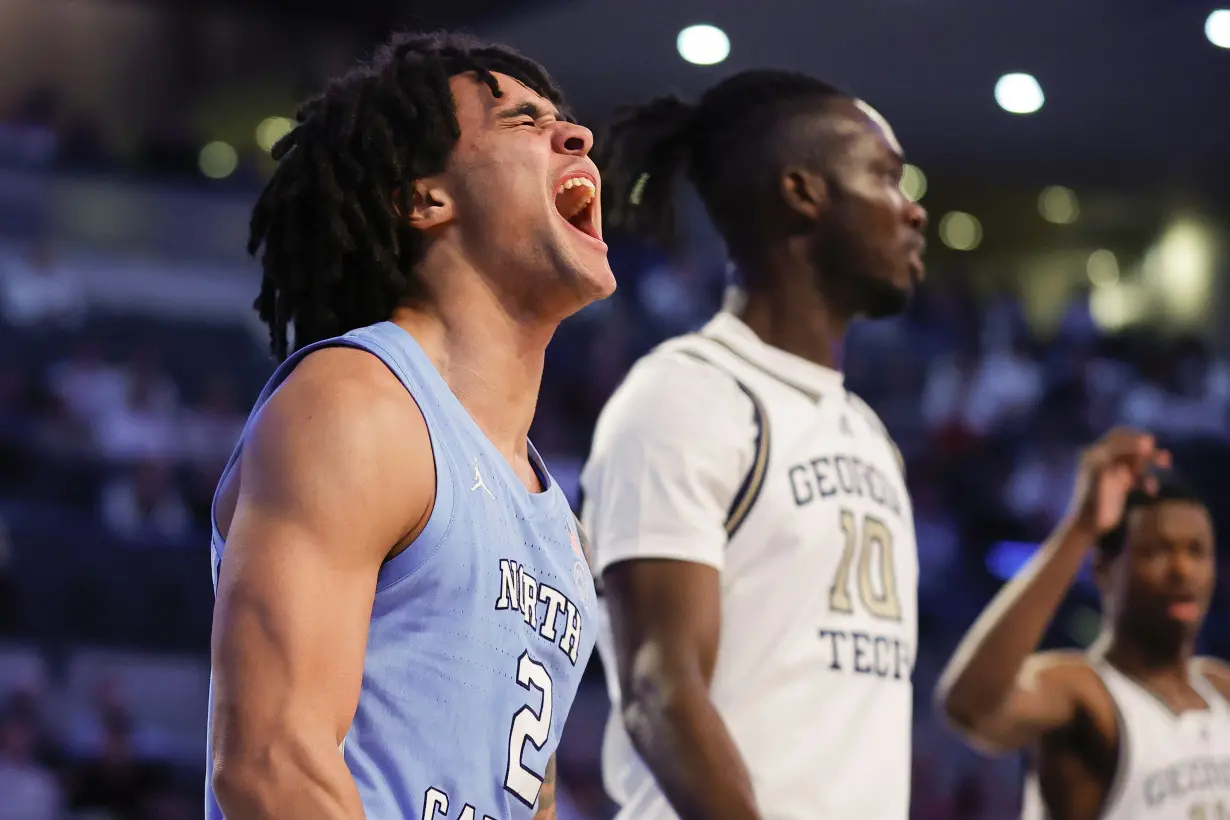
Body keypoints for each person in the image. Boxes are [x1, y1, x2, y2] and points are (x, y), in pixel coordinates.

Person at [205, 31, 614, 820]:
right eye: (523, 122)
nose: (576, 135)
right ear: (426, 198)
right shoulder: (357, 403)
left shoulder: (558, 529)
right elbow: (272, 765)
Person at [580, 70, 928, 820]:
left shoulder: (868, 434)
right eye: (885, 177)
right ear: (802, 192)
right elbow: (657, 690)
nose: (915, 209)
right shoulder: (685, 396)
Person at [937, 428, 1230, 820]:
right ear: (1104, 569)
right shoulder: (1082, 691)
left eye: (1197, 551)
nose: (1182, 570)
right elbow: (970, 707)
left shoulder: (1220, 689)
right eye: (1156, 551)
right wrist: (1082, 527)